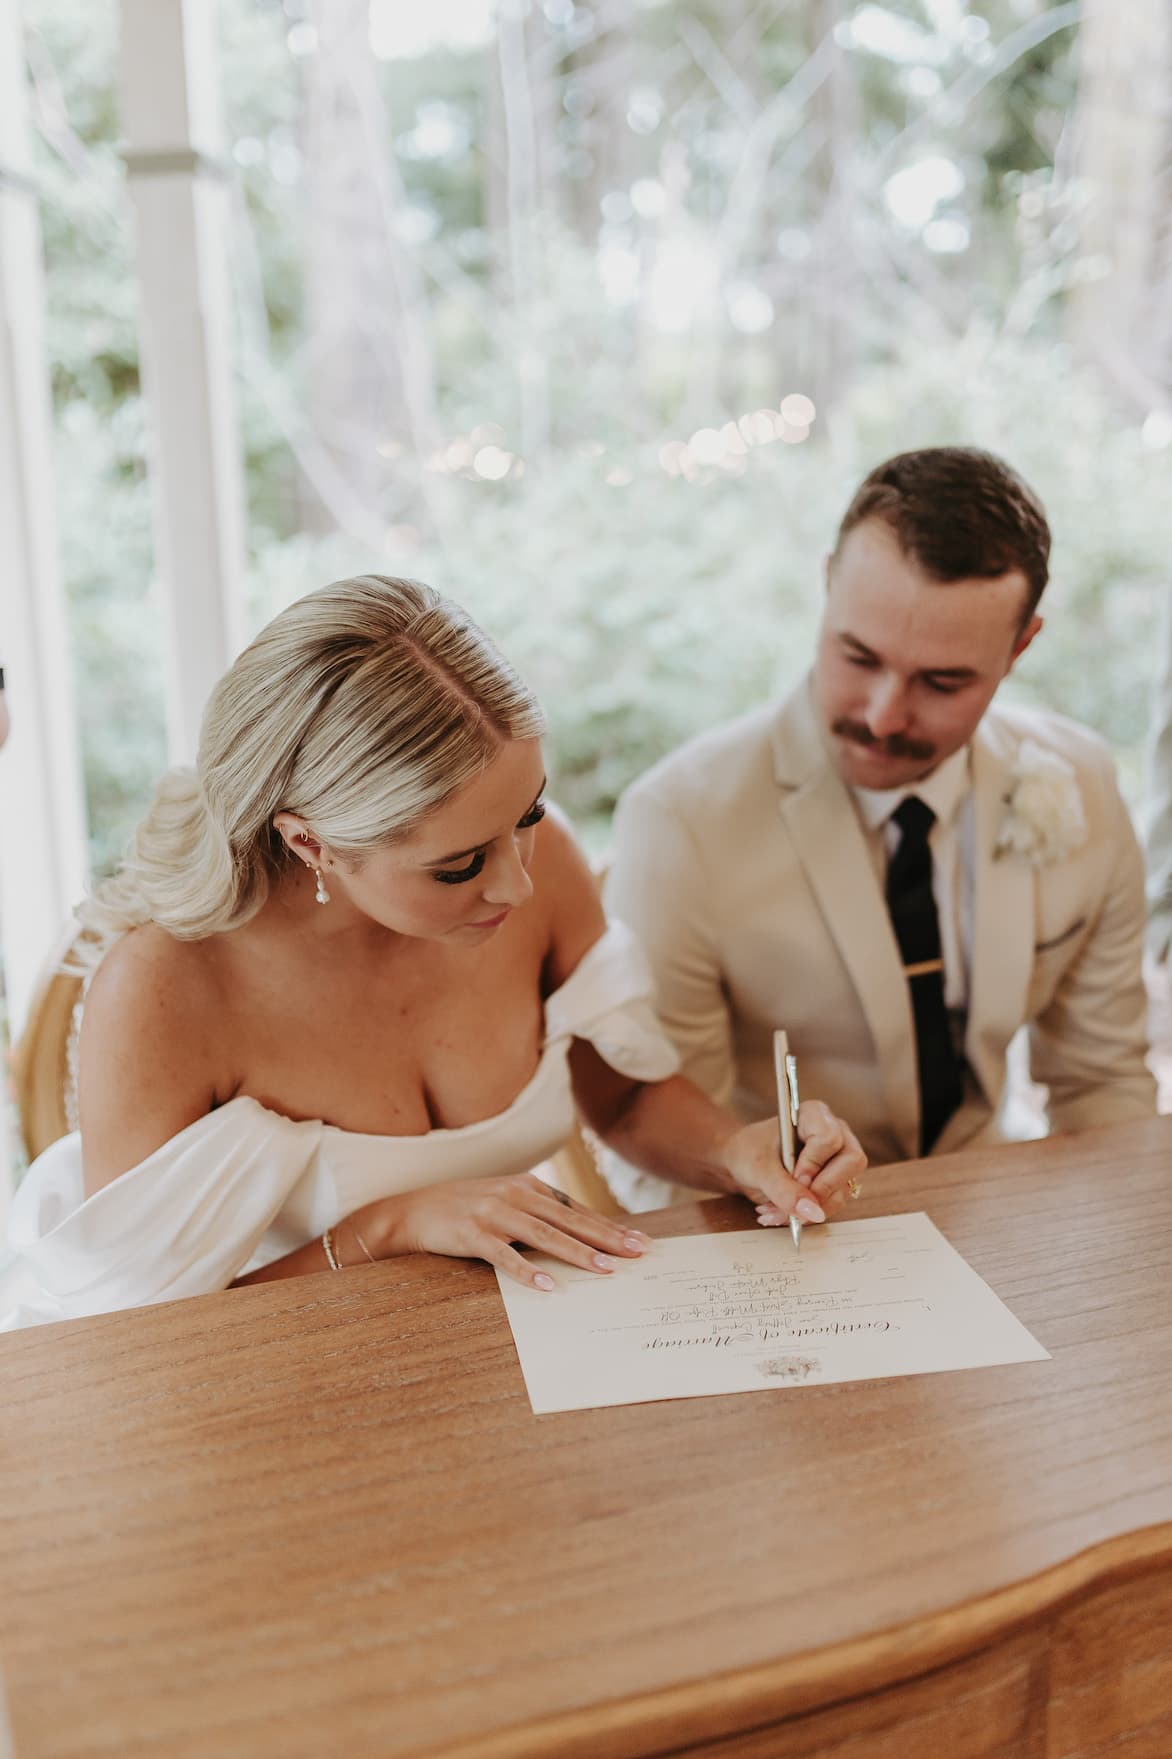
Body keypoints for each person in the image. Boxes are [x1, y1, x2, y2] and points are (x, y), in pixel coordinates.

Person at [1, 575, 864, 1327]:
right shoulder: (169, 989)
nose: (518, 886)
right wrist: (388, 1227)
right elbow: (137, 1338)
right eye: (457, 867)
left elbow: (625, 1100)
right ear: (311, 845)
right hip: (272, 1403)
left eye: (527, 814)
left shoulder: (540, 856)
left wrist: (738, 1151)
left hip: (523, 1347)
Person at [604, 447, 1155, 1206]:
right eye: (858, 656)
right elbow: (659, 1136)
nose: (882, 714)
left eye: (943, 681)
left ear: (1021, 645)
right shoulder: (681, 820)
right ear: (829, 584)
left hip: (994, 1203)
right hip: (773, 1230)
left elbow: (1101, 1084)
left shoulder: (1082, 782)